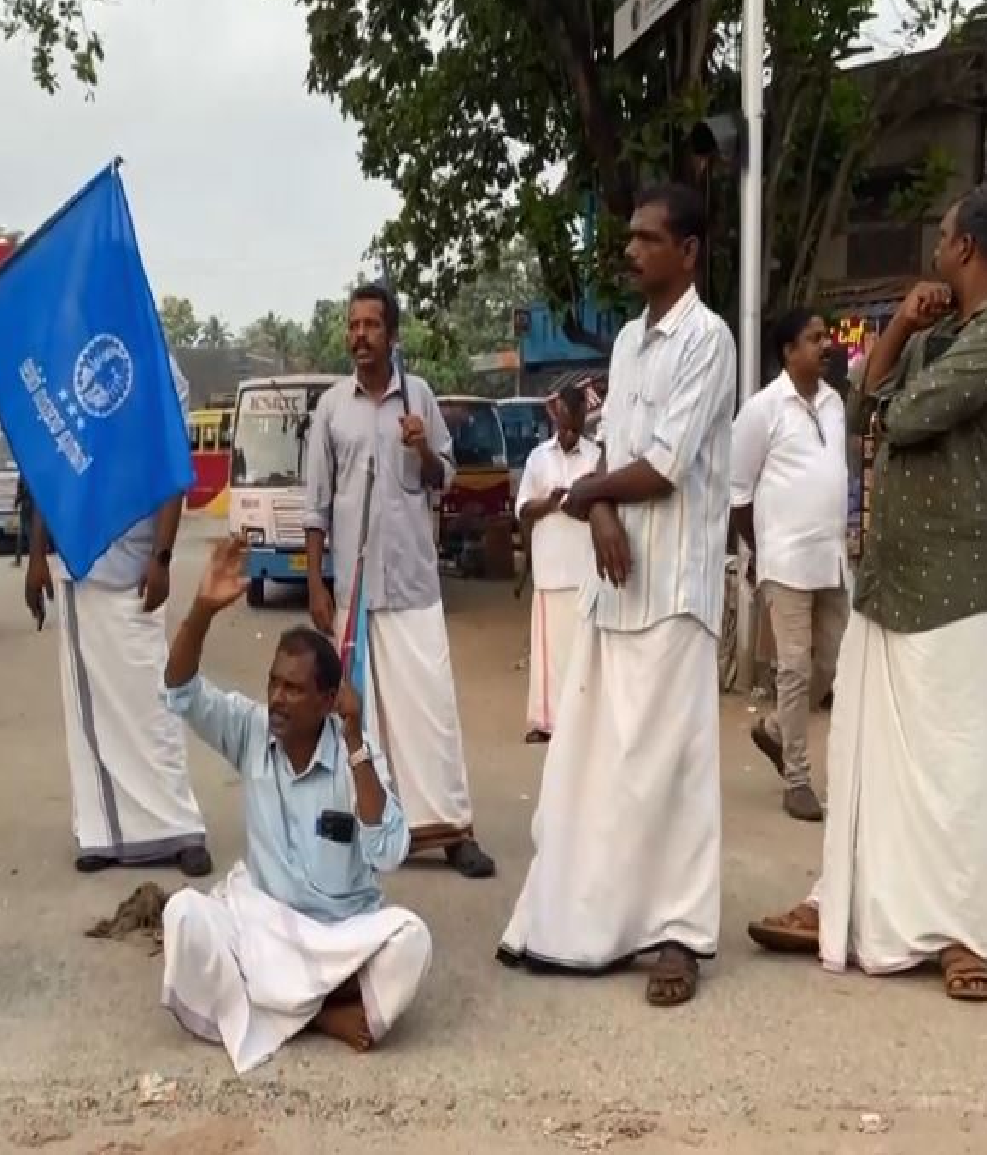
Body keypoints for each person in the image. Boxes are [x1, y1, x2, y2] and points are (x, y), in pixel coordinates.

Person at [748, 188, 987, 1003]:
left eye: (943, 236)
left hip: (960, 582)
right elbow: (865, 398)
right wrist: (904, 326)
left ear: (969, 249)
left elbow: (901, 416)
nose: (936, 247)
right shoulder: (948, 330)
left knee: (956, 769)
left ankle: (963, 934)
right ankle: (836, 903)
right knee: (871, 759)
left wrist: (894, 383)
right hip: (896, 575)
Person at [497, 184, 735, 1007]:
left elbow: (665, 467)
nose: (630, 250)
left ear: (689, 252)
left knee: (671, 768)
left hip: (672, 584)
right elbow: (615, 450)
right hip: (614, 584)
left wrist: (585, 498)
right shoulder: (630, 344)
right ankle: (578, 920)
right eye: (629, 237)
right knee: (594, 762)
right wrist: (596, 503)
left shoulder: (710, 340)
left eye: (646, 238)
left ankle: (679, 937)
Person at [159, 536, 430, 1074]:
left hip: (337, 936)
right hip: (263, 923)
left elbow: (389, 854)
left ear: (329, 702)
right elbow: (180, 690)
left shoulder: (355, 753)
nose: (277, 699)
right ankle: (321, 1014)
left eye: (293, 689)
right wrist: (202, 611)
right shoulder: (251, 730)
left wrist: (356, 743)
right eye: (273, 684)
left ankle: (276, 1002)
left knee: (411, 939)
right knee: (183, 915)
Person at [303, 283, 495, 879]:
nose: (360, 335)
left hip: (411, 582)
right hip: (355, 590)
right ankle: (370, 827)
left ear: (392, 335)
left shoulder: (421, 398)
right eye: (353, 325)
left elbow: (444, 479)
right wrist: (316, 583)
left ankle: (452, 829)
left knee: (431, 708)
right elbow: (315, 504)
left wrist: (424, 450)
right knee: (356, 711)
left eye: (371, 325)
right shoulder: (332, 408)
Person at [25, 356, 212, 878]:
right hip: (81, 558)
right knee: (89, 711)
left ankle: (180, 826)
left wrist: (164, 556)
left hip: (137, 563)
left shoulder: (161, 367)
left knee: (156, 702)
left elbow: (173, 469)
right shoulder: (67, 355)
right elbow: (47, 464)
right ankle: (101, 831)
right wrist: (36, 554)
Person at [729, 309, 850, 823]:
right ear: (787, 351)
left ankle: (777, 727)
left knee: (836, 661)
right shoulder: (762, 409)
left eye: (825, 337)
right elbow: (738, 492)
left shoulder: (834, 403)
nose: (825, 345)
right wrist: (758, 554)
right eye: (814, 338)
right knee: (796, 667)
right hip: (785, 560)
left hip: (832, 559)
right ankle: (797, 779)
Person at [515, 387, 600, 744]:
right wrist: (549, 503)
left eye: (573, 425)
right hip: (550, 569)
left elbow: (605, 509)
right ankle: (546, 722)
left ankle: (582, 722)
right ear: (557, 416)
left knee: (583, 652)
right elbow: (522, 511)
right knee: (549, 654)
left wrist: (580, 503)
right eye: (562, 423)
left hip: (584, 569)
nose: (567, 432)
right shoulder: (538, 459)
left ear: (582, 418)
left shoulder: (597, 458)